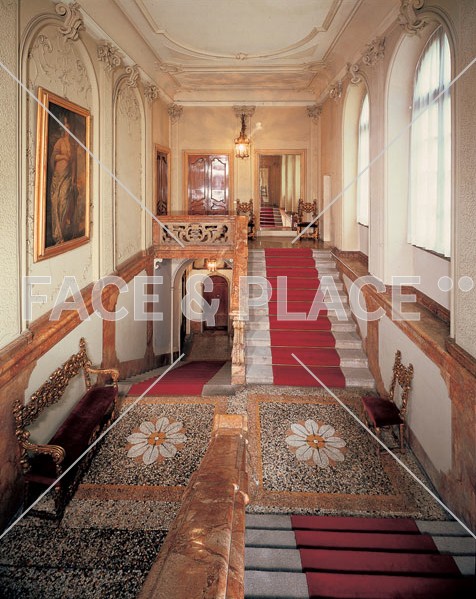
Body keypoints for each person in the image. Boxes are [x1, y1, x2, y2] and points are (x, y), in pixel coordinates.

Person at [49, 115, 77, 244]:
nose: (67, 131)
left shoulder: (72, 145)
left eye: (69, 129)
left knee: (64, 201)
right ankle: (57, 234)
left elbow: (74, 163)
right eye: (66, 129)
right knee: (56, 202)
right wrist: (63, 157)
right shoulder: (60, 142)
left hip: (67, 176)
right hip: (58, 176)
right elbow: (53, 157)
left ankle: (62, 229)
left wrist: (73, 178)